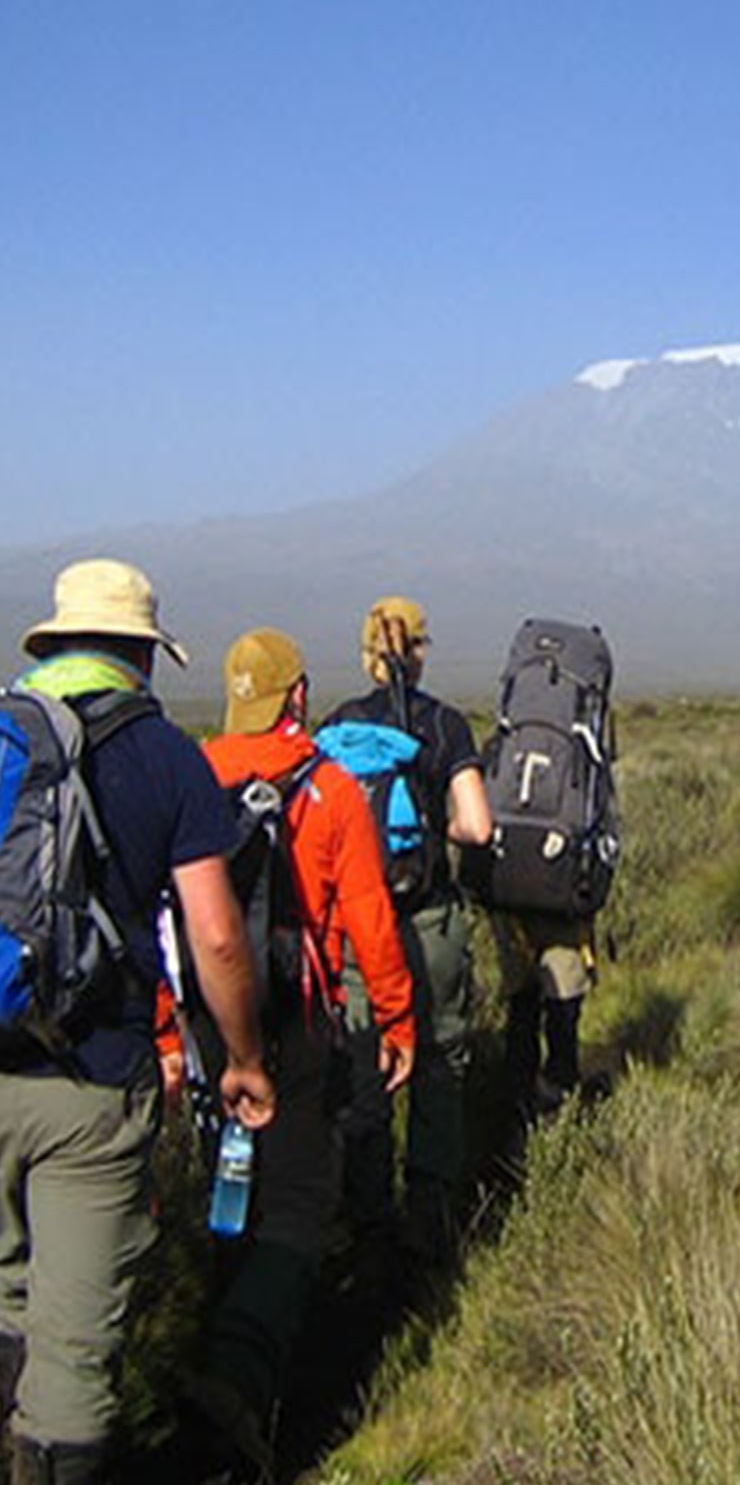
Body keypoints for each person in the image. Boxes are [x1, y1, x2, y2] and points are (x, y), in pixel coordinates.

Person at [0, 558, 275, 1485]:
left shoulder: (3, 730)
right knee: (74, 1353)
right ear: (142, 655)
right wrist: (243, 1058)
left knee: (5, 1304)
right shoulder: (166, 757)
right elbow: (217, 940)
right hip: (92, 1082)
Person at [178, 626, 416, 1479]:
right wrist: (396, 1022)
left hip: (211, 1016)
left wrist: (173, 1033)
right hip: (297, 1018)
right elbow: (369, 922)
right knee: (302, 1200)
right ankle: (240, 1378)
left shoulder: (195, 775)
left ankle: (212, 1334)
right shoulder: (331, 787)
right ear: (301, 696)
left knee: (227, 1176)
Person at [322, 597, 491, 1268]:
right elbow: (477, 827)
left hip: (358, 933)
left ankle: (368, 1223)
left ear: (366, 654)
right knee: (440, 1062)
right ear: (419, 651)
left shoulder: (337, 728)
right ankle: (430, 1214)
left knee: (362, 1063)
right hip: (430, 921)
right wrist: (434, 832)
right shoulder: (445, 725)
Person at [491, 910, 598, 1125]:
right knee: (562, 1017)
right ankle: (558, 1107)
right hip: (566, 916)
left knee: (522, 1011)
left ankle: (517, 1113)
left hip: (514, 913)